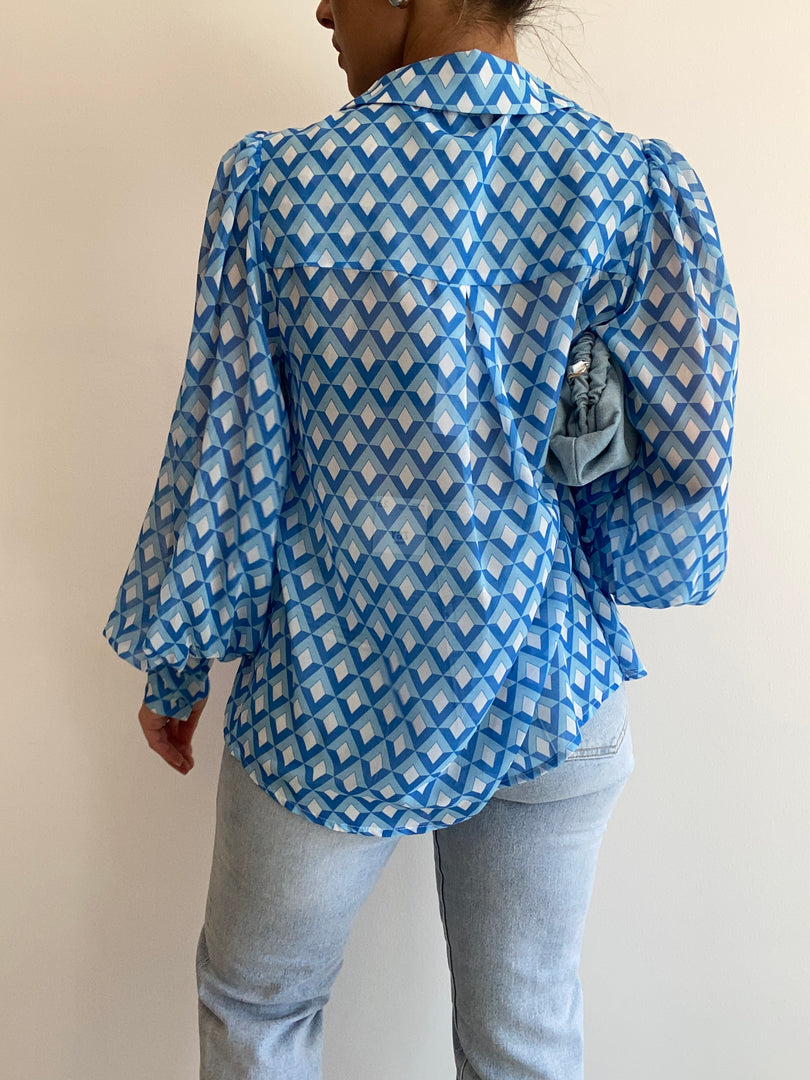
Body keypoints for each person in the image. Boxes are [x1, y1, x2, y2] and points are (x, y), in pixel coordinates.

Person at [101, 0, 740, 1076]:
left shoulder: (282, 185)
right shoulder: (621, 184)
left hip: (329, 693)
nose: (321, 9)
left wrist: (179, 662)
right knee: (523, 1035)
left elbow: (229, 452)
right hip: (551, 683)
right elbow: (679, 451)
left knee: (258, 1004)